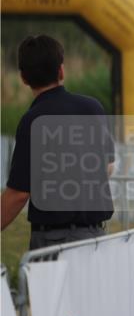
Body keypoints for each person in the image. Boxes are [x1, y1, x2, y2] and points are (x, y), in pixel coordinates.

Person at [2, 35, 115, 250]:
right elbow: (107, 166)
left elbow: (19, 193)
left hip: (54, 242)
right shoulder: (93, 108)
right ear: (61, 71)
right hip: (98, 239)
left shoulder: (32, 121)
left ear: (23, 78)